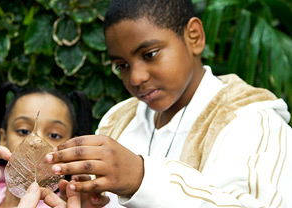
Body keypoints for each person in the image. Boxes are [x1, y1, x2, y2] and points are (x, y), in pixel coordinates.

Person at [46, 0, 292, 207]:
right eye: (122, 65)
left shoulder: (253, 121)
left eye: (149, 54)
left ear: (194, 37)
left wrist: (141, 179)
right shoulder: (118, 119)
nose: (136, 78)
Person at [0, 82, 108, 208]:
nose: (36, 142)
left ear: (73, 147)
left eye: (54, 135)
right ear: (3, 138)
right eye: (24, 131)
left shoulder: (68, 205)